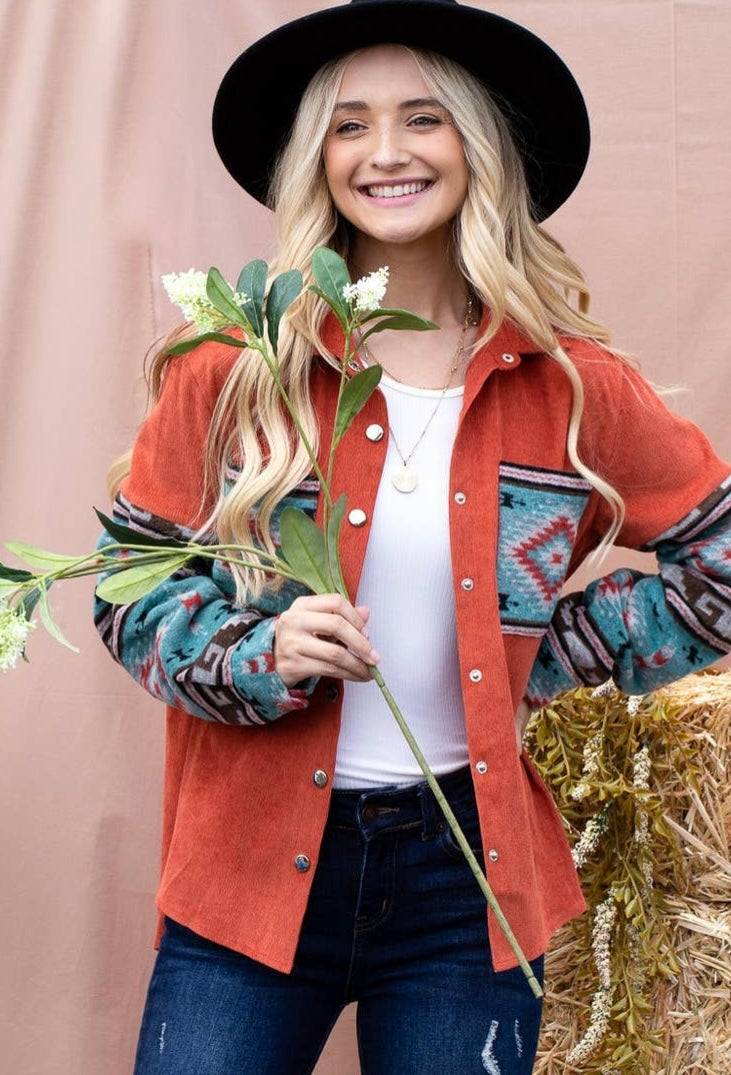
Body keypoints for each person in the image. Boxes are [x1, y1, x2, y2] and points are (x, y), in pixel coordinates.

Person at [95, 1, 731, 1072]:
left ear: (475, 148)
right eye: (347, 125)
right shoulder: (234, 368)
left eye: (421, 119)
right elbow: (126, 588)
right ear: (315, 159)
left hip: (464, 889)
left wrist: (556, 650)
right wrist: (258, 654)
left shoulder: (567, 384)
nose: (383, 152)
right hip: (243, 878)